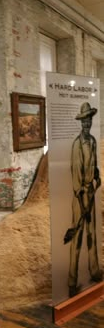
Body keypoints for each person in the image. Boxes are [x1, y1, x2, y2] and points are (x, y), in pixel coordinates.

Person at [68, 102, 102, 297]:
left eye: (89, 120)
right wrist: (83, 205)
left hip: (91, 193)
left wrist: (97, 176)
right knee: (77, 237)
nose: (87, 123)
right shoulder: (77, 145)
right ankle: (72, 281)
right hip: (79, 198)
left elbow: (94, 165)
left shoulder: (94, 141)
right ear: (81, 123)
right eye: (84, 120)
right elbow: (75, 178)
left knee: (92, 234)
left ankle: (95, 271)